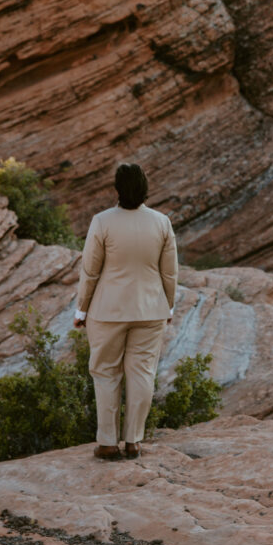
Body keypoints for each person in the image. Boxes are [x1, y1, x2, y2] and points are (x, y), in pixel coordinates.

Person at [74, 162, 178, 460]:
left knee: (105, 373)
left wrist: (82, 309)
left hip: (107, 310)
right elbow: (169, 273)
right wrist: (168, 305)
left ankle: (107, 443)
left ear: (117, 189)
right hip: (150, 309)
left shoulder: (102, 221)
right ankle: (133, 441)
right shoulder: (161, 222)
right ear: (146, 188)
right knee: (142, 372)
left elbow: (90, 271)